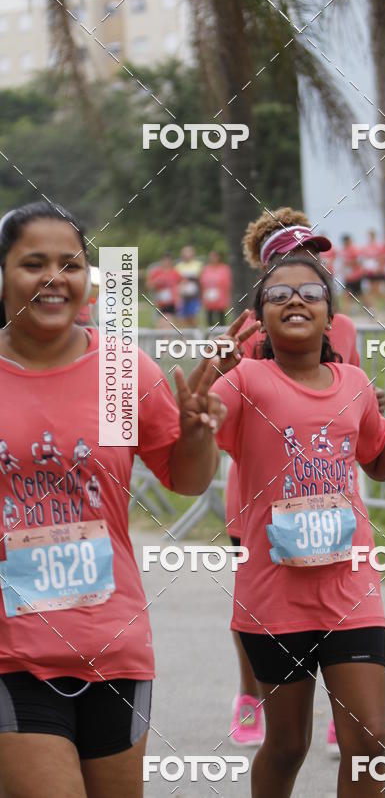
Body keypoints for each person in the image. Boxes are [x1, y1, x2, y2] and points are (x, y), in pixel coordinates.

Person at [0, 202, 229, 798]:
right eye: (33, 263)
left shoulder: (122, 373)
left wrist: (198, 433)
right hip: (11, 653)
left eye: (70, 264)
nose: (55, 278)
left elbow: (185, 478)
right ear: (2, 275)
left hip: (115, 647)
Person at [210, 255, 385, 797]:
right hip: (274, 596)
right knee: (289, 744)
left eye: (311, 292)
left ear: (330, 315)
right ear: (259, 319)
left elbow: (378, 463)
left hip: (350, 588)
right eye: (278, 294)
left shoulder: (355, 383)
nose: (295, 300)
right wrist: (209, 387)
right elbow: (193, 435)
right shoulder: (245, 381)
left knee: (371, 740)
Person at [225, 207, 385, 756]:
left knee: (365, 739)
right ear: (265, 276)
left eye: (315, 262)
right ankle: (249, 695)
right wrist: (213, 372)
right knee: (286, 743)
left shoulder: (340, 326)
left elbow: (354, 411)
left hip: (338, 530)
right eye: (285, 270)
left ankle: (343, 711)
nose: (303, 277)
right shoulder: (249, 339)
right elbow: (206, 420)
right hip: (264, 503)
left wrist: (379, 408)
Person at [146, 253, 182, 329]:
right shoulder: (156, 273)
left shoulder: (174, 272)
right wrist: (156, 282)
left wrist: (178, 295)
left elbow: (183, 283)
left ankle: (167, 338)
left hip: (172, 302)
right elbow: (148, 285)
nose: (166, 263)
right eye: (164, 261)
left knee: (170, 321)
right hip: (161, 303)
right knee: (162, 323)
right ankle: (164, 338)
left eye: (168, 261)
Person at [200, 250, 232, 328]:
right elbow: (202, 283)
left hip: (220, 299)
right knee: (209, 319)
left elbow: (227, 283)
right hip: (209, 299)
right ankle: (210, 337)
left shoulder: (224, 268)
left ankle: (221, 336)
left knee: (221, 320)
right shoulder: (206, 269)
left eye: (215, 256)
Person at [175, 245, 202, 328]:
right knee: (181, 318)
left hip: (194, 296)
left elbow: (200, 279)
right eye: (185, 253)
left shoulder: (198, 265)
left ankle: (196, 334)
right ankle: (185, 337)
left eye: (188, 252)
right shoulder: (178, 266)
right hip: (182, 296)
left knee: (192, 317)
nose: (187, 255)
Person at [338, 234, 363, 313]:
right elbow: (342, 263)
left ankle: (371, 308)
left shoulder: (355, 249)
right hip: (348, 277)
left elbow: (358, 261)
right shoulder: (343, 250)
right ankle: (345, 313)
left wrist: (349, 263)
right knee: (346, 295)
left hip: (356, 276)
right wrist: (342, 270)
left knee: (360, 295)